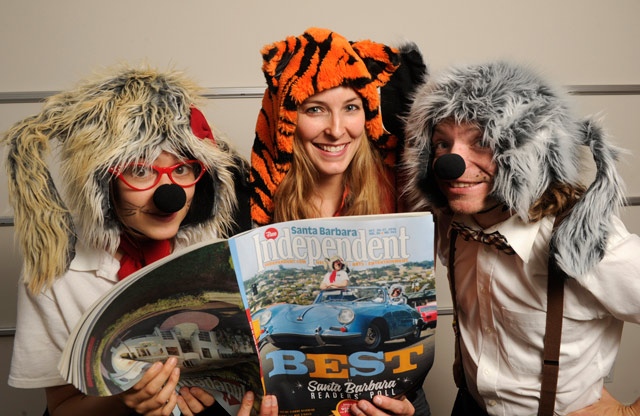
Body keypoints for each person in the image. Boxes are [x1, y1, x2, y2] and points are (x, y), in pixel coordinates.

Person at [3, 66, 273, 416]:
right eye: (140, 171)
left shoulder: (221, 249)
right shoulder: (57, 270)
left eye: (181, 169)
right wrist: (124, 400)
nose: (170, 195)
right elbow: (61, 407)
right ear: (104, 184)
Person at [402, 61, 640, 415]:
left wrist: (631, 412)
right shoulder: (451, 225)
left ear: (529, 149)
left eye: (482, 141)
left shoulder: (586, 238)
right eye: (441, 143)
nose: (450, 163)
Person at [249, 27, 430, 416]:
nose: (336, 129)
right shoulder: (253, 205)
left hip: (390, 401)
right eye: (314, 109)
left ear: (368, 113)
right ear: (286, 117)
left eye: (351, 107)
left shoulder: (400, 187)